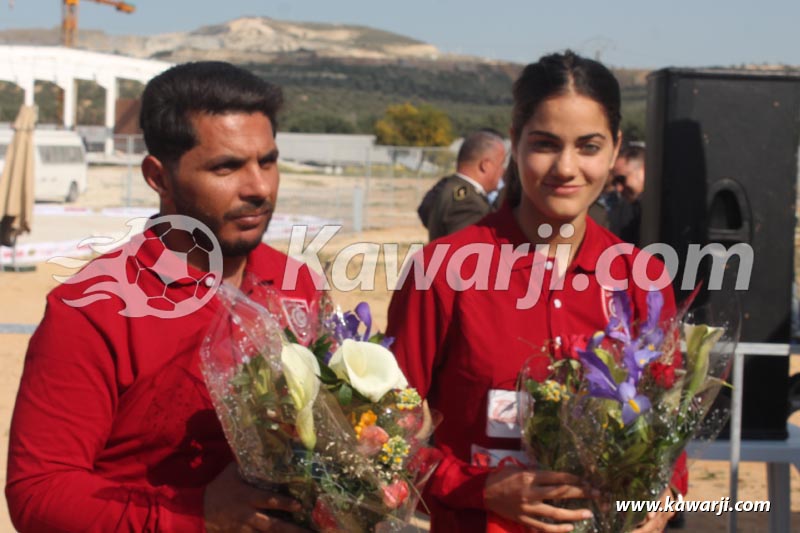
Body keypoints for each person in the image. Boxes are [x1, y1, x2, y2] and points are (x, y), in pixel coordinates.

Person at [6, 62, 320, 532]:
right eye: (226, 167)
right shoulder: (95, 309)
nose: (259, 187)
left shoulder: (295, 283)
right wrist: (195, 515)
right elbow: (39, 493)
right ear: (158, 176)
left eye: (268, 161)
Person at [387, 51, 686, 533]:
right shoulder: (441, 271)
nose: (566, 167)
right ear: (514, 141)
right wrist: (476, 488)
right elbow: (378, 438)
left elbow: (668, 431)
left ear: (615, 151)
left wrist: (663, 496)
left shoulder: (642, 278)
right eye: (545, 144)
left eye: (588, 146)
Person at [417, 128, 506, 241]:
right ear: (486, 165)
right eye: (501, 164)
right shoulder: (467, 203)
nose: (503, 171)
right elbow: (468, 251)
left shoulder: (447, 187)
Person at [608, 142, 645, 244]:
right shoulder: (621, 213)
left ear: (644, 171)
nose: (618, 188)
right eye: (615, 182)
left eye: (622, 179)